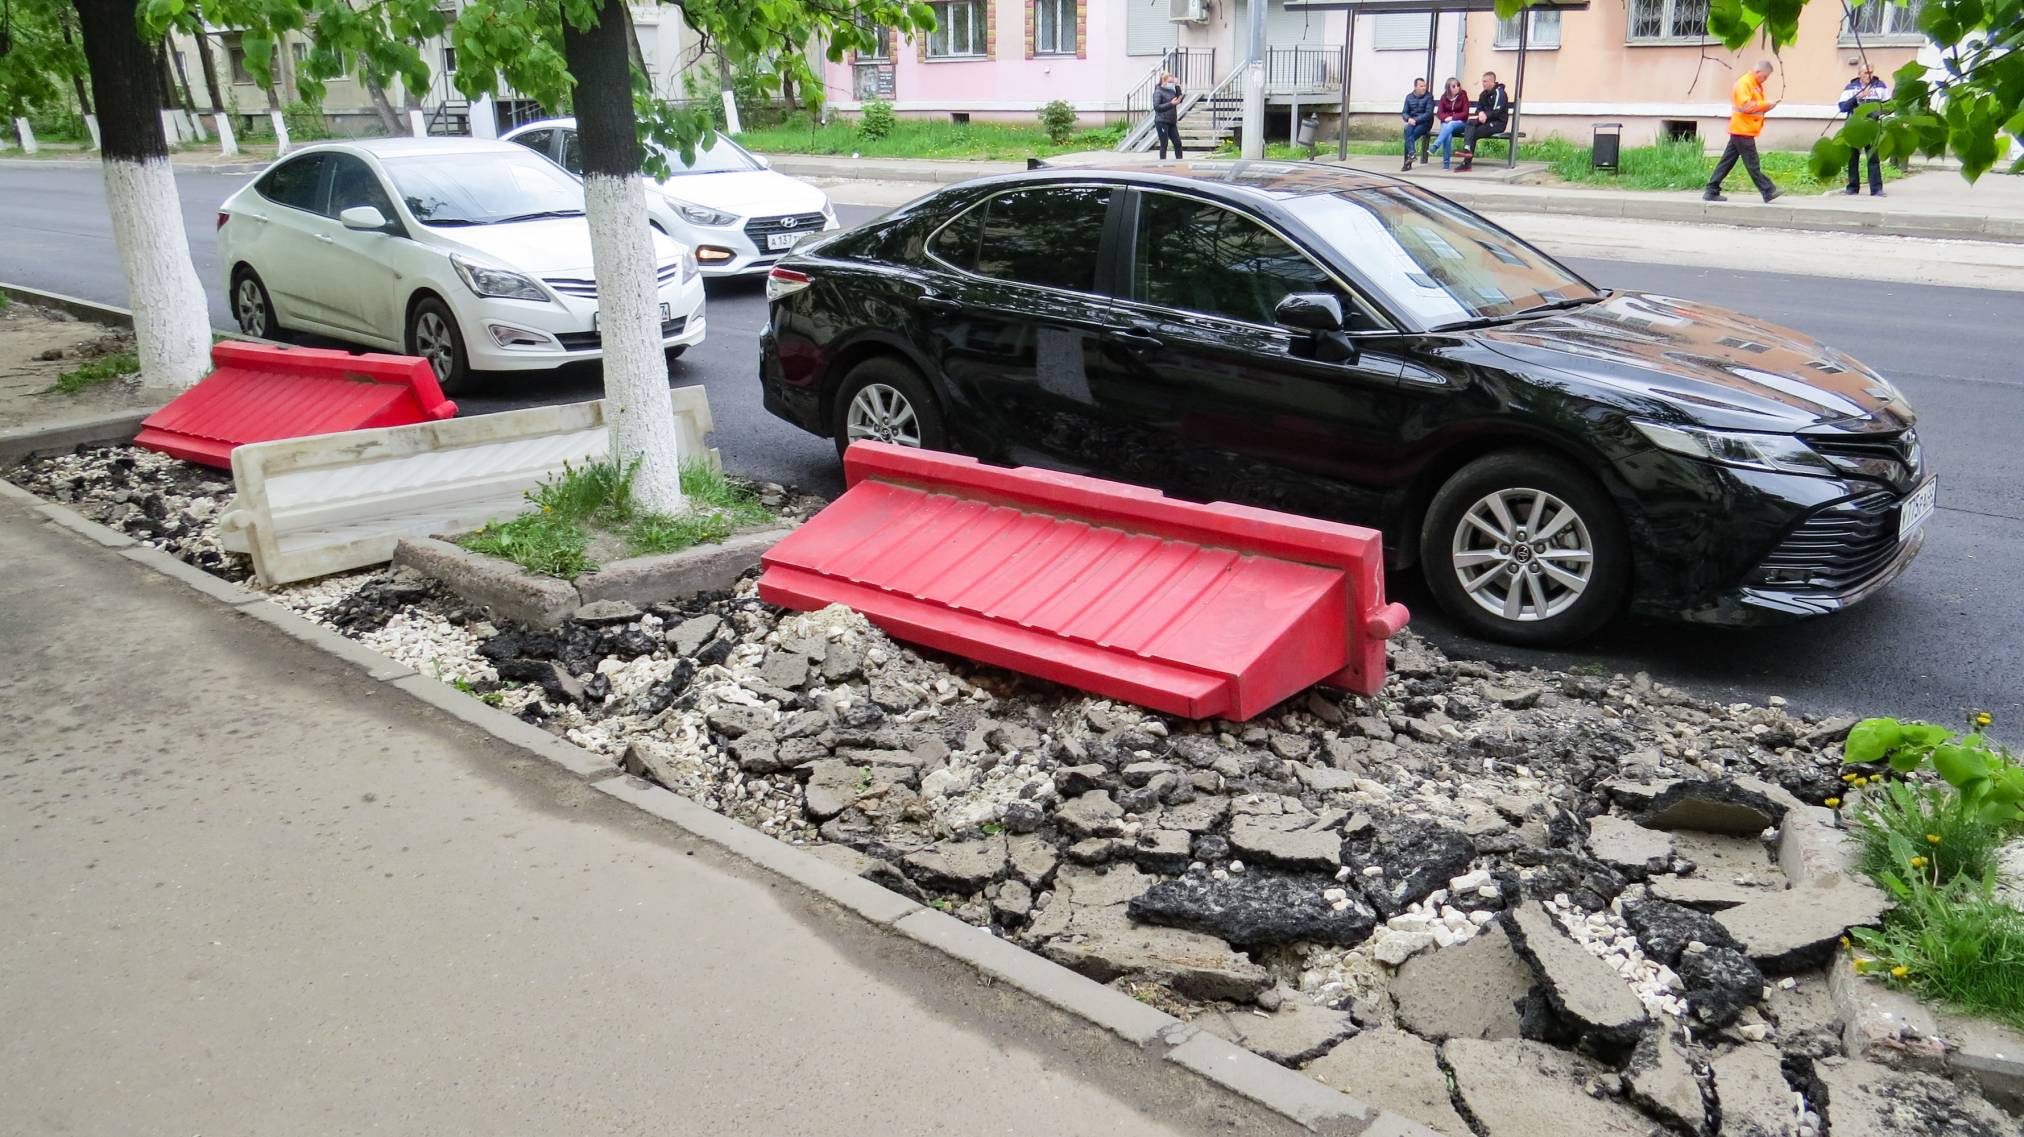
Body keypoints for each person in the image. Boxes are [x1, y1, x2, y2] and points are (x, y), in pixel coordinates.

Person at [1705, 59, 1782, 203]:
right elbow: (1745, 106)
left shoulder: (1754, 85)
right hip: (1742, 129)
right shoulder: (1745, 83)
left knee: (1727, 162)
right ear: (1758, 72)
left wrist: (1767, 106)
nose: (1765, 80)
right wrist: (1767, 105)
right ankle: (1768, 190)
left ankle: (1711, 189)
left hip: (1742, 129)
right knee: (1752, 163)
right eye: (1764, 77)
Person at [1839, 60, 1889, 196]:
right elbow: (1842, 107)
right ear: (1860, 74)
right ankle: (1852, 188)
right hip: (1854, 128)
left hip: (1872, 128)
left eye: (1871, 72)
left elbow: (1888, 106)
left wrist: (1879, 113)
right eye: (1866, 73)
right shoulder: (1851, 87)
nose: (1869, 75)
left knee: (1873, 158)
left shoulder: (1880, 86)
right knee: (1852, 158)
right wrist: (1857, 98)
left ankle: (1876, 189)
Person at [1454, 72, 1509, 172]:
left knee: (1473, 133)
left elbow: (1497, 111)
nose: (1483, 83)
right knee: (1470, 122)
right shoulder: (1483, 94)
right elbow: (1478, 109)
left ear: (1492, 82)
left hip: (1497, 123)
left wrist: (1486, 115)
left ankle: (1466, 163)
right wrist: (1480, 113)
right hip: (1485, 121)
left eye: (1485, 81)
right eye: (1482, 81)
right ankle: (1466, 149)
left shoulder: (1500, 93)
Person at [1432, 77, 1471, 170]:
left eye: (1458, 85)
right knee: (1447, 134)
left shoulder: (1463, 95)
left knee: (1450, 124)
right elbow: (1439, 113)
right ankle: (1446, 165)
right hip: (1446, 124)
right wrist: (1446, 118)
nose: (1457, 87)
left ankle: (1436, 144)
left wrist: (1452, 118)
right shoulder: (1444, 97)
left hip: (1460, 124)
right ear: (1448, 88)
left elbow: (1465, 113)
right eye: (1454, 86)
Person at [1400, 78, 1435, 172]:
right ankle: (1411, 155)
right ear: (1416, 87)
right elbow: (1404, 113)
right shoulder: (1409, 97)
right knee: (1407, 129)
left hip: (1425, 123)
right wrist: (1408, 119)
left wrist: (1415, 119)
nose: (1424, 88)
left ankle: (1408, 161)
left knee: (1408, 137)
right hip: (1412, 122)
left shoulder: (1429, 96)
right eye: (1421, 86)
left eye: (1425, 86)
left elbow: (1429, 114)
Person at [1152, 72, 1185, 160]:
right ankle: (1162, 163)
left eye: (1172, 82)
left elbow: (1179, 99)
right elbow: (1157, 107)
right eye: (1170, 82)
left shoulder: (1171, 90)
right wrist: (1170, 104)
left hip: (1172, 121)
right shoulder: (1158, 91)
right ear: (1164, 80)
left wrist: (1177, 86)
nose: (1171, 84)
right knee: (1164, 144)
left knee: (1178, 143)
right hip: (1162, 121)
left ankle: (1179, 163)